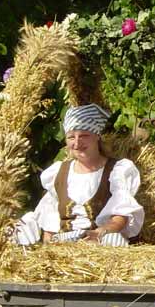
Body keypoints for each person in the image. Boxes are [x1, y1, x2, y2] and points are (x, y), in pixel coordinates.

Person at [16, 104, 144, 247]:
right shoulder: (58, 173)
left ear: (97, 136)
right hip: (67, 241)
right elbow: (49, 224)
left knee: (115, 241)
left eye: (84, 136)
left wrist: (99, 233)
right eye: (71, 137)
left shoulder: (117, 170)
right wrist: (48, 250)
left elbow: (121, 216)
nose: (77, 143)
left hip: (101, 239)